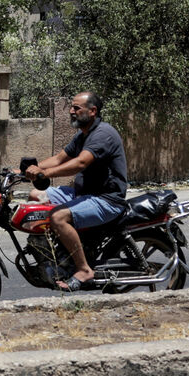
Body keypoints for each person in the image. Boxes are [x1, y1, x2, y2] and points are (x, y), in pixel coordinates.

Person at [16, 91, 128, 292]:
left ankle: (84, 269)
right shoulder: (82, 135)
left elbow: (80, 163)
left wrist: (44, 173)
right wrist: (24, 172)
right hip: (82, 193)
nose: (71, 111)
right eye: (71, 107)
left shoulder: (103, 134)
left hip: (106, 199)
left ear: (92, 111)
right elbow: (59, 159)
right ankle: (58, 251)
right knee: (35, 196)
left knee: (58, 217)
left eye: (76, 108)